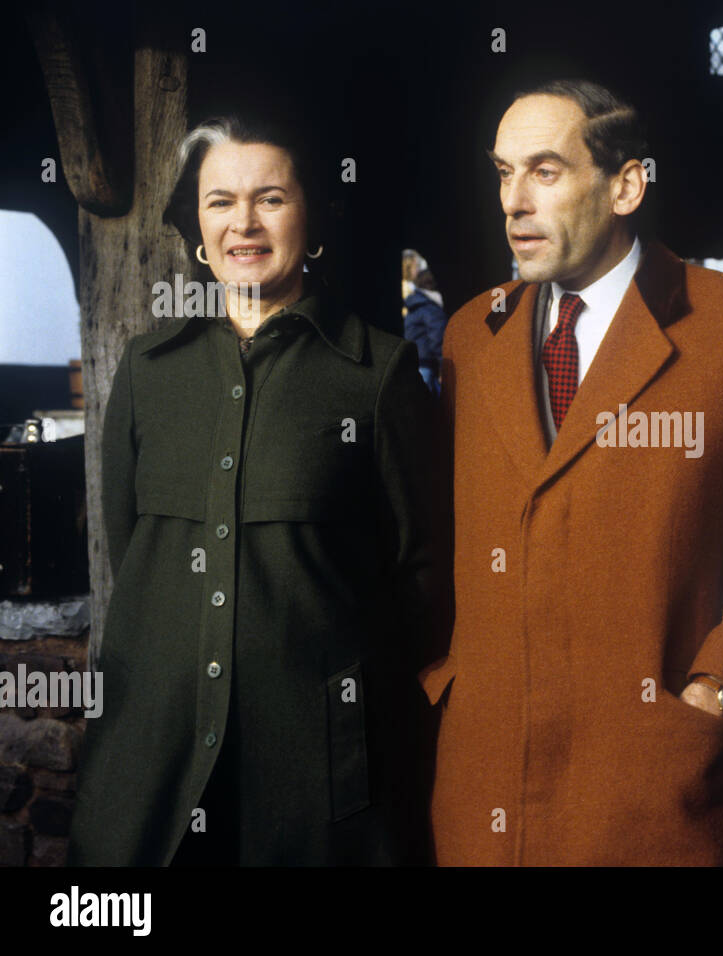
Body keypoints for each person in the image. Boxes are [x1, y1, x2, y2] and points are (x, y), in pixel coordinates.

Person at [422, 79, 723, 865]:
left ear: (627, 185)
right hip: (484, 789)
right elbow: (438, 532)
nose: (513, 200)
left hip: (656, 792)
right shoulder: (472, 332)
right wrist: (449, 675)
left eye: (544, 171)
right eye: (502, 173)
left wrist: (719, 691)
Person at [67, 114, 443, 865]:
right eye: (220, 202)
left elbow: (422, 580)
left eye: (271, 198)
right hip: (154, 764)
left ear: (312, 217)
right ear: (196, 230)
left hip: (314, 781)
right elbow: (130, 548)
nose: (244, 222)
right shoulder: (148, 371)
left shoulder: (380, 375)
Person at [402, 264, 449, 393]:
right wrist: (444, 367)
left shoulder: (415, 306)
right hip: (428, 366)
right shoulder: (430, 308)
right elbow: (438, 339)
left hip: (417, 364)